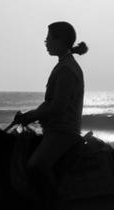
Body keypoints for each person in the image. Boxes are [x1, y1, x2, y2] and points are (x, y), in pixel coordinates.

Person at [12, 21, 88, 192]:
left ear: (60, 41)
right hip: (56, 130)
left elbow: (57, 107)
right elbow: (50, 104)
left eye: (49, 38)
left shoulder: (66, 69)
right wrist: (29, 115)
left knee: (35, 165)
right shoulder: (64, 65)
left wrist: (29, 117)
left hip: (63, 132)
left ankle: (53, 202)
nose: (46, 42)